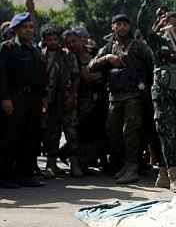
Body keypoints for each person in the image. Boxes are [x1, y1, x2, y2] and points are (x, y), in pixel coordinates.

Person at [138, 0, 176, 192]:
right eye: (175, 25)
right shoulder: (157, 40)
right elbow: (142, 24)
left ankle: (162, 172)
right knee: (165, 132)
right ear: (167, 24)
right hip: (162, 92)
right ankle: (174, 176)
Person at [89, 14, 153, 184]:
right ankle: (127, 163)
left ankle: (132, 168)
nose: (122, 27)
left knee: (130, 132)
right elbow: (91, 66)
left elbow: (152, 61)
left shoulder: (137, 46)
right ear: (113, 27)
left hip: (134, 96)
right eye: (119, 24)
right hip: (114, 97)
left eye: (125, 24)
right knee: (113, 133)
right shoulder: (109, 47)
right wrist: (107, 58)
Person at [0, 12, 46, 188]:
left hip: (33, 99)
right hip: (15, 98)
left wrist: (42, 96)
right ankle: (4, 175)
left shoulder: (35, 49)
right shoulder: (8, 48)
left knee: (30, 138)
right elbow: (2, 76)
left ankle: (24, 175)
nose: (29, 30)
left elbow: (40, 75)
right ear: (16, 30)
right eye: (25, 27)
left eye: (31, 27)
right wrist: (5, 98)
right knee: (10, 138)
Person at [40, 24, 83, 178]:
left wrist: (73, 95)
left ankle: (75, 165)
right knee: (51, 134)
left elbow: (76, 76)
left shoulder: (67, 55)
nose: (52, 42)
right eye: (49, 39)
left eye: (55, 39)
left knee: (71, 133)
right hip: (49, 102)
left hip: (67, 100)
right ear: (44, 40)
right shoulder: (41, 56)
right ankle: (51, 165)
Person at [65, 28, 107, 174]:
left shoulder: (95, 53)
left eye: (74, 41)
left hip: (99, 98)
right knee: (82, 131)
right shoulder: (70, 58)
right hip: (82, 99)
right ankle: (78, 161)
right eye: (68, 43)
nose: (72, 45)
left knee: (101, 130)